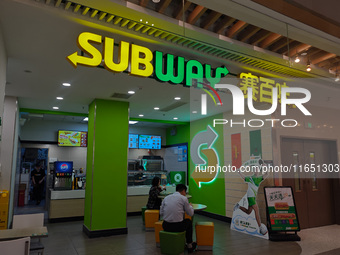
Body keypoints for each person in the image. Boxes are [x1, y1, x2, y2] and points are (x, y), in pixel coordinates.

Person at [234, 159, 269, 235]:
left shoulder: (259, 179)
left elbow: (266, 174)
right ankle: (260, 228)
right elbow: (243, 177)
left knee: (248, 212)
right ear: (253, 170)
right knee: (256, 210)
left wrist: (265, 167)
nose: (257, 170)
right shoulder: (251, 178)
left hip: (253, 197)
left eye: (258, 169)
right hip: (250, 197)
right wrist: (239, 172)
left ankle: (238, 206)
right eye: (255, 169)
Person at [160, 184, 196, 253]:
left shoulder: (166, 198)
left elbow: (161, 213)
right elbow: (191, 213)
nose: (185, 194)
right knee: (188, 222)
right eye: (185, 192)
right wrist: (190, 206)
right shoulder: (183, 198)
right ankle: (189, 245)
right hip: (178, 226)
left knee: (183, 221)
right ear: (183, 191)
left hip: (165, 225)